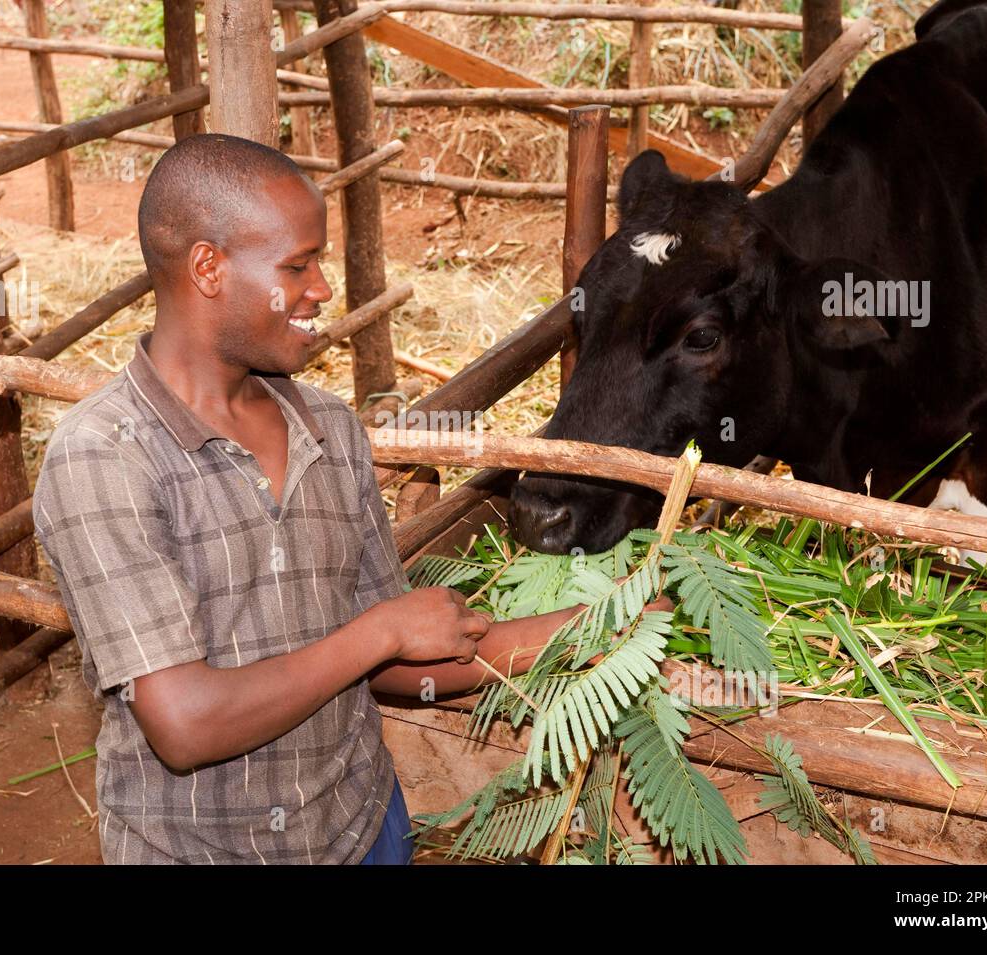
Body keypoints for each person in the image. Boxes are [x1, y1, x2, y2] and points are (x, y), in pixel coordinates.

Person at [33, 133, 588, 865]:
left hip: (361, 827)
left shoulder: (328, 429)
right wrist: (381, 631)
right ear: (208, 267)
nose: (323, 287)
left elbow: (393, 661)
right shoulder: (105, 456)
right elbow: (185, 725)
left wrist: (588, 628)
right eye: (297, 265)